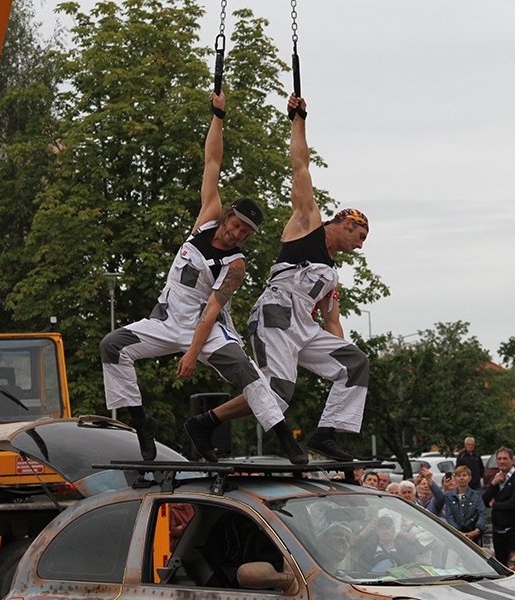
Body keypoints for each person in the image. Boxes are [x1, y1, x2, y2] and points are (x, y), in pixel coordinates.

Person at [100, 91, 304, 463]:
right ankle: (141, 421)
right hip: (165, 320)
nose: (237, 234)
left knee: (245, 370)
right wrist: (217, 115)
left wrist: (193, 353)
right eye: (236, 225)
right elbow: (213, 160)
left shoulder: (236, 265)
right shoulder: (206, 217)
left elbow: (211, 310)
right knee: (112, 346)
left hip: (206, 328)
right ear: (226, 216)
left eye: (245, 233)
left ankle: (283, 436)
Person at [185, 93, 370, 462]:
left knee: (355, 363)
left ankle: (326, 434)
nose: (360, 246)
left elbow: (332, 321)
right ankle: (207, 422)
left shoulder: (332, 274)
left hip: (303, 327)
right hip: (275, 318)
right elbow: (300, 166)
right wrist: (298, 120)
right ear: (347, 223)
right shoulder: (307, 224)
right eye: (360, 236)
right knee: (277, 393)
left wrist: (335, 362)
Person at [483, 447, 515, 565]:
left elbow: (514, 503)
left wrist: (495, 504)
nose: (502, 461)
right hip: (497, 530)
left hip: (513, 529)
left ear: (512, 460)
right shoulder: (495, 479)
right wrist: (492, 484)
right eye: (499, 459)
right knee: (500, 563)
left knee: (513, 564)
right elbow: (485, 502)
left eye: (505, 459)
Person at [443, 465, 487, 546]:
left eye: (464, 475)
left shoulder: (476, 495)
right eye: (459, 476)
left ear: (469, 478)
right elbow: (449, 516)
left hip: (474, 535)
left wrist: (476, 531)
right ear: (455, 478)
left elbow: (482, 513)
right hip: (456, 535)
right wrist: (458, 532)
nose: (461, 478)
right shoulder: (449, 496)